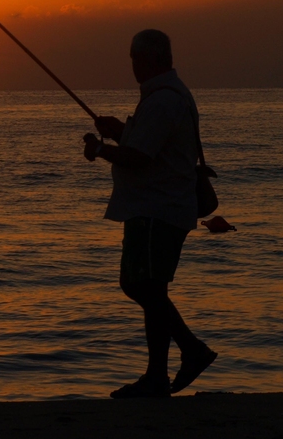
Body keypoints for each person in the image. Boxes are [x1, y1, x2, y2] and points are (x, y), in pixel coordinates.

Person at [83, 29, 217, 398]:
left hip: (157, 208)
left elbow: (141, 158)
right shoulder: (173, 96)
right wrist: (122, 131)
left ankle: (192, 350)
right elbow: (152, 144)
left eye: (135, 59)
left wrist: (99, 150)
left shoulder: (161, 101)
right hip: (162, 206)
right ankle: (156, 376)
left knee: (138, 285)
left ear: (151, 59)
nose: (133, 66)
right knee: (152, 288)